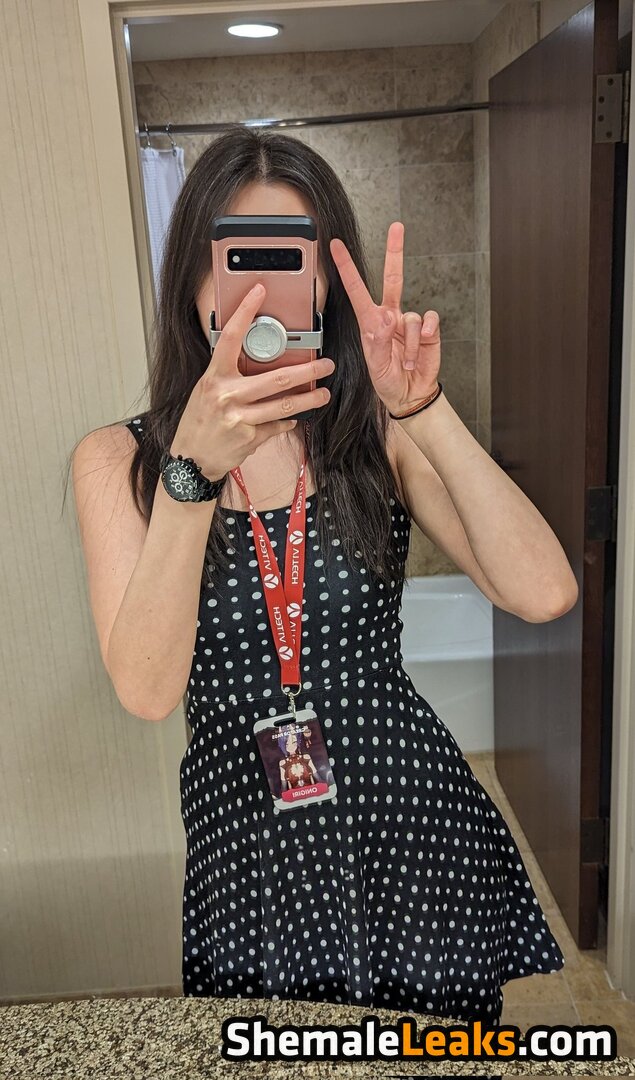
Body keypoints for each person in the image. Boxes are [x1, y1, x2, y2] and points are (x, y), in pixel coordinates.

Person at [72, 124, 578, 1023]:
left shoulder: (373, 432)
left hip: (410, 829)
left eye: (288, 260)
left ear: (322, 283)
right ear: (192, 277)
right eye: (238, 260)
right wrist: (194, 474)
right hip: (247, 851)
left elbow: (543, 592)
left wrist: (421, 406)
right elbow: (146, 692)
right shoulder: (122, 462)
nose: (258, 292)